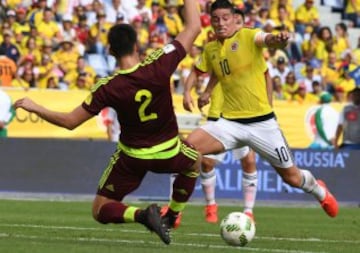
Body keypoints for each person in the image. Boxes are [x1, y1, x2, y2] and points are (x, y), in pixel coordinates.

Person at [14, 0, 202, 245]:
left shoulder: (109, 87)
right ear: (137, 45)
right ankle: (173, 214)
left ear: (111, 52)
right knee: (195, 161)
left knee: (100, 208)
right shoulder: (160, 63)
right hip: (169, 150)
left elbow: (71, 122)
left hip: (132, 157)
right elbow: (194, 27)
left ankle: (143, 215)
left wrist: (36, 107)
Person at [186, 0, 338, 220]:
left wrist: (276, 40)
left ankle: (320, 191)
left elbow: (266, 39)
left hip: (262, 124)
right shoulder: (211, 49)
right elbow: (220, 72)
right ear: (210, 20)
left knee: (293, 178)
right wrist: (208, 91)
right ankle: (177, 210)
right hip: (230, 122)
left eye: (225, 18)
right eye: (215, 19)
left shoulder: (248, 36)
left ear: (234, 19)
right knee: (188, 148)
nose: (220, 23)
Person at [183, 8, 258, 224]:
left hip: (244, 115)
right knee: (205, 162)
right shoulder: (213, 49)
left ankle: (249, 211)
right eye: (219, 20)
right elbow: (202, 71)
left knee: (249, 161)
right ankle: (210, 205)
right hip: (219, 114)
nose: (226, 24)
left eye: (233, 20)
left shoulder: (248, 47)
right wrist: (193, 91)